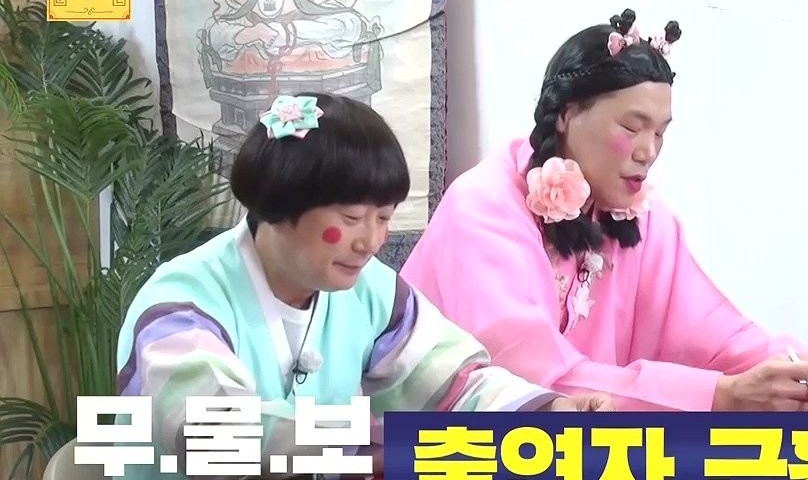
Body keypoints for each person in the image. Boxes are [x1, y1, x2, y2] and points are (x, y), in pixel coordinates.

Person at [399, 8, 808, 412]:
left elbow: (713, 335)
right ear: (568, 114)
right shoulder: (484, 210)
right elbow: (533, 383)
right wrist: (720, 397)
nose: (649, 151)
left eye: (660, 132)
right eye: (631, 127)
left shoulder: (635, 213)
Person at [114, 93, 610, 479]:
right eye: (351, 218)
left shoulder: (370, 290)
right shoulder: (180, 304)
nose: (370, 241)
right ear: (281, 204)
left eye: (383, 218)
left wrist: (547, 411)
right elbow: (212, 431)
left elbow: (454, 385)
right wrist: (377, 446)